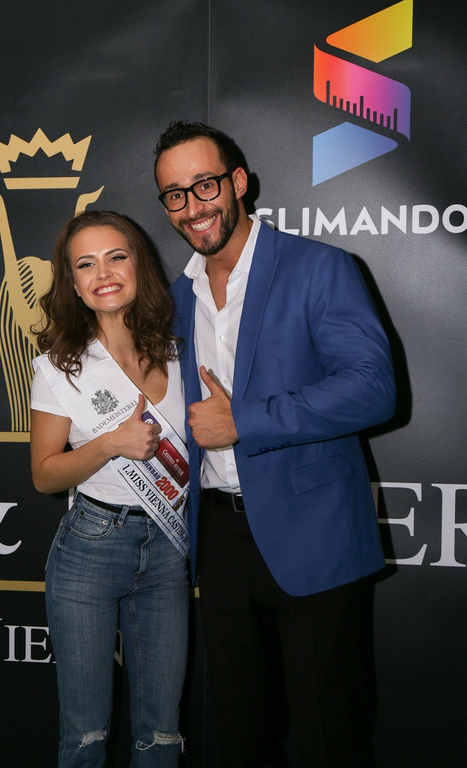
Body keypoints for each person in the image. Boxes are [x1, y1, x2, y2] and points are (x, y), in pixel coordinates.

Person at [153, 121, 396, 768]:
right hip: (220, 543)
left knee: (329, 740)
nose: (192, 206)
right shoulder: (176, 299)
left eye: (204, 185)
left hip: (315, 534)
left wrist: (246, 421)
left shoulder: (319, 267)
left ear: (238, 182)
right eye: (174, 194)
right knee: (241, 739)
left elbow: (374, 389)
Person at [30, 210, 188, 768]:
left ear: (138, 265)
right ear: (73, 283)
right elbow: (45, 474)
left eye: (116, 257)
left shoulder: (178, 351)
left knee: (162, 735)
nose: (104, 273)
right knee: (86, 736)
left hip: (168, 550)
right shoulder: (59, 367)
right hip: (91, 548)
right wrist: (109, 444)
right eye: (86, 264)